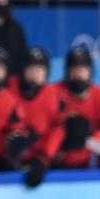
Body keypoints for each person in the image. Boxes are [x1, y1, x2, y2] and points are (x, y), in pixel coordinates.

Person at [10, 47, 67, 187]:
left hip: (43, 161)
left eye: (39, 69)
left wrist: (43, 158)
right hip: (9, 162)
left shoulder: (55, 96)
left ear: (46, 73)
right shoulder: (8, 90)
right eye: (31, 68)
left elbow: (59, 129)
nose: (35, 74)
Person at [54, 47, 100, 169]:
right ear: (67, 72)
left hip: (92, 166)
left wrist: (89, 139)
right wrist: (63, 139)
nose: (78, 74)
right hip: (58, 163)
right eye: (74, 69)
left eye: (82, 69)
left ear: (90, 72)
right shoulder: (54, 93)